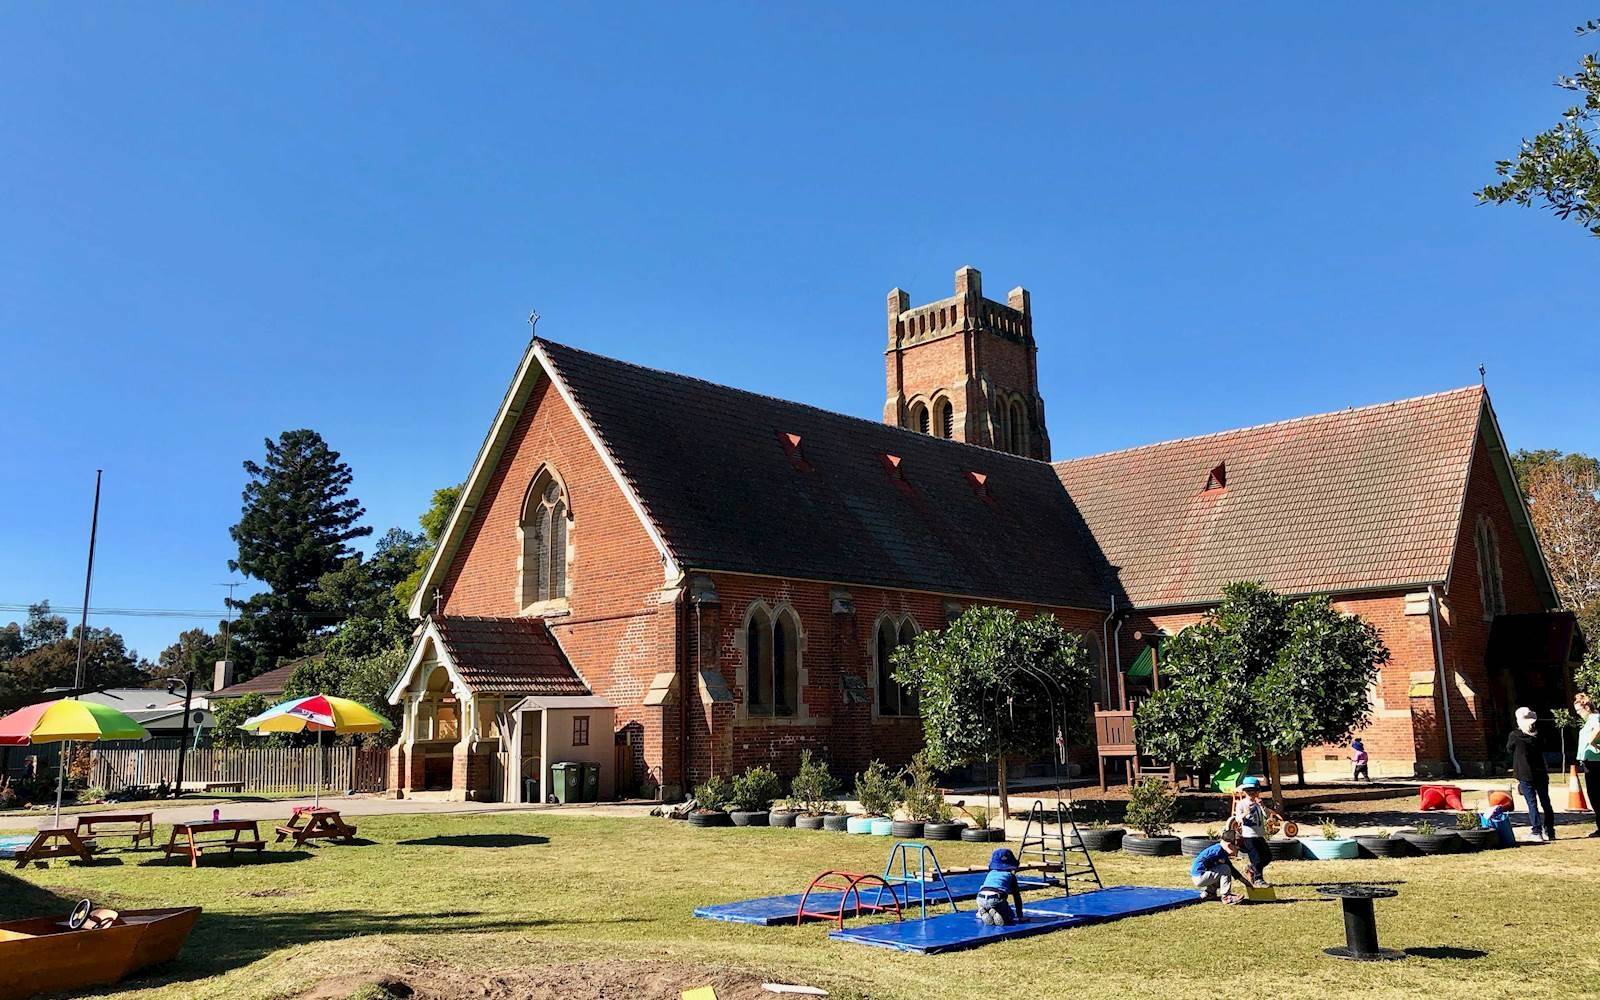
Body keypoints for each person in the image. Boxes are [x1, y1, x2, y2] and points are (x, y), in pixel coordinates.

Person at [1506, 706, 1555, 842]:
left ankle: (1536, 830)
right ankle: (1550, 830)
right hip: (1540, 771)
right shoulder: (1538, 735)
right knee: (1546, 801)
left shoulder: (1515, 736)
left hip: (1525, 773)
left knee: (1531, 802)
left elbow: (1509, 749)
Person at [1230, 777, 1276, 887]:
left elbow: (1266, 816)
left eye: (1253, 791)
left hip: (1259, 834)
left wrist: (1262, 806)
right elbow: (1238, 819)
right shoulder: (1241, 804)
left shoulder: (1258, 803)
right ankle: (1258, 879)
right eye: (1248, 791)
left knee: (1268, 856)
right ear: (1244, 792)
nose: (1251, 793)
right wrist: (1246, 813)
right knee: (1256, 858)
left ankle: (1251, 869)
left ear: (1258, 792)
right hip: (1248, 836)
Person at [974, 847, 1025, 927]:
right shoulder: (1010, 876)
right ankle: (999, 913)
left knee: (987, 904)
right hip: (996, 898)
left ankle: (982, 911)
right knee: (1010, 916)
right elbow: (1017, 897)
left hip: (980, 898)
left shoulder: (990, 873)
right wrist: (1020, 916)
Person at [1190, 832, 1245, 904]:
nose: (1237, 852)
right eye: (1237, 848)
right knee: (1225, 869)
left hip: (1200, 876)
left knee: (1221, 870)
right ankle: (1226, 897)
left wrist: (1247, 883)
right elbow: (1229, 869)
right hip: (1200, 877)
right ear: (1229, 845)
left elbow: (1233, 871)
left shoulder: (1220, 851)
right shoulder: (1217, 851)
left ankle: (1209, 893)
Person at [1578, 693, 1600, 839]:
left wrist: (1591, 742)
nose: (1578, 714)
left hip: (1594, 762)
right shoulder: (1590, 720)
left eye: (1579, 710)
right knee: (1595, 796)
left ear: (1586, 707)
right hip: (1588, 761)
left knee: (1596, 795)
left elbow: (1598, 728)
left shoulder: (1594, 718)